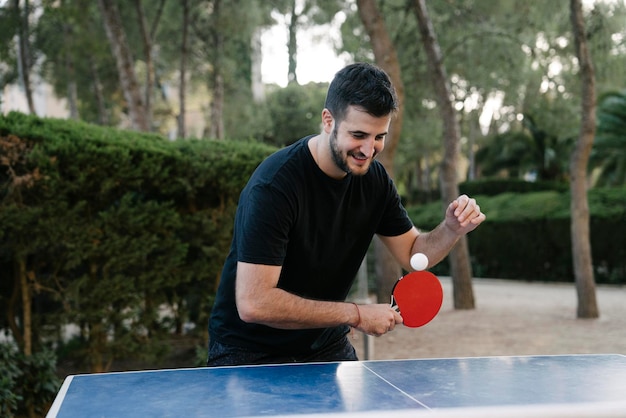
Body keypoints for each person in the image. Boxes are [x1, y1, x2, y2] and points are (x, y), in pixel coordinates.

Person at [207, 62, 485, 366]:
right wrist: (356, 314)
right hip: (249, 349)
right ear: (328, 121)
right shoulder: (275, 186)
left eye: (379, 136)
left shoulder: (375, 181)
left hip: (324, 343)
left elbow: (414, 253)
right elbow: (254, 303)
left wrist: (451, 229)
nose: (369, 149)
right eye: (358, 134)